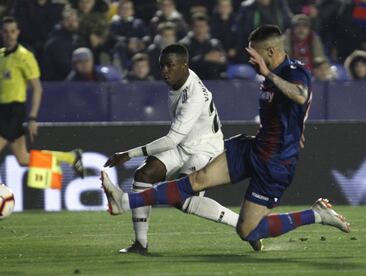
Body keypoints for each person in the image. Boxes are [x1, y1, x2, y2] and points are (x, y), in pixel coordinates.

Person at [102, 25, 350, 251]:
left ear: (272, 52)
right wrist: (298, 128)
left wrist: (268, 74)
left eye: (255, 55)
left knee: (248, 230)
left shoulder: (294, 72)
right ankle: (125, 202)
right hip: (253, 147)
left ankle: (316, 215)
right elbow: (294, 110)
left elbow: (300, 95)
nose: (250, 60)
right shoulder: (271, 73)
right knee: (197, 179)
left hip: (276, 163)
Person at [104, 44, 246, 254]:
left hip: (204, 149)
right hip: (185, 144)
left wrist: (128, 154)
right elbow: (176, 140)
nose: (165, 71)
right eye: (162, 66)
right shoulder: (181, 79)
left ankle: (244, 225)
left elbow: (171, 140)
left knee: (181, 198)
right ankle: (140, 244)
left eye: (170, 66)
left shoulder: (193, 96)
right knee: (144, 174)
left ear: (184, 66)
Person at [0, 17, 84, 211]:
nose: (9, 35)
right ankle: (71, 157)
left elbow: (37, 88)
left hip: (15, 110)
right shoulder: (1, 55)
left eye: (13, 31)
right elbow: (0, 83)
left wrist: (32, 118)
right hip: (4, 110)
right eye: (6, 31)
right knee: (23, 159)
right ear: (1, 33)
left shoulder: (25, 56)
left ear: (18, 32)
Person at [179, 13, 227, 80]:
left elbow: (225, 64)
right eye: (196, 26)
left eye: (202, 26)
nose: (199, 29)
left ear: (208, 27)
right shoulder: (184, 44)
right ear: (192, 27)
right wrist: (205, 58)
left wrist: (220, 60)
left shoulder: (214, 44)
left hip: (212, 82)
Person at [43, 7, 79, 80]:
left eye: (74, 20)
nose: (71, 23)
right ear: (61, 22)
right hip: (57, 84)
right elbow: (64, 67)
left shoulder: (75, 38)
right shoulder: (57, 41)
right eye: (68, 20)